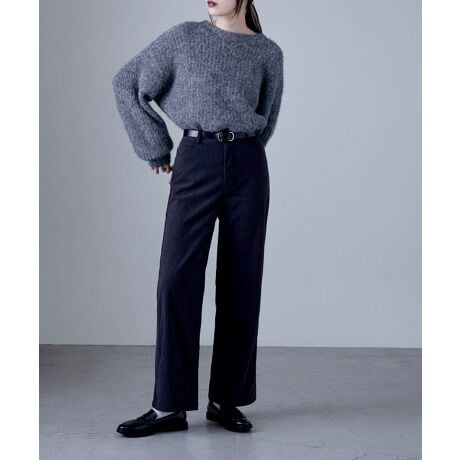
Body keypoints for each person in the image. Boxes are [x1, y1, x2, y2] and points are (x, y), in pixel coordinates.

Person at [112, 0, 284, 436]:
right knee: (177, 279)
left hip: (248, 165)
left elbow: (267, 116)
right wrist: (154, 144)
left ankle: (227, 399)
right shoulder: (184, 37)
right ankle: (169, 406)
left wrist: (241, 150)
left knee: (242, 281)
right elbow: (127, 81)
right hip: (197, 158)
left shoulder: (268, 53)